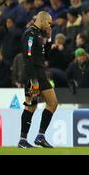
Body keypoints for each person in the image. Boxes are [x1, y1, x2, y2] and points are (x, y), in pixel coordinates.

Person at [19, 11, 58, 148]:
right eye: (49, 22)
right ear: (41, 20)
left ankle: (40, 136)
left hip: (41, 74)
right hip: (33, 75)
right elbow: (28, 58)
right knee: (31, 106)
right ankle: (22, 140)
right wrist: (33, 80)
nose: (50, 25)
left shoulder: (40, 35)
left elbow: (45, 56)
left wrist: (49, 39)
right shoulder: (29, 34)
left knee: (53, 103)